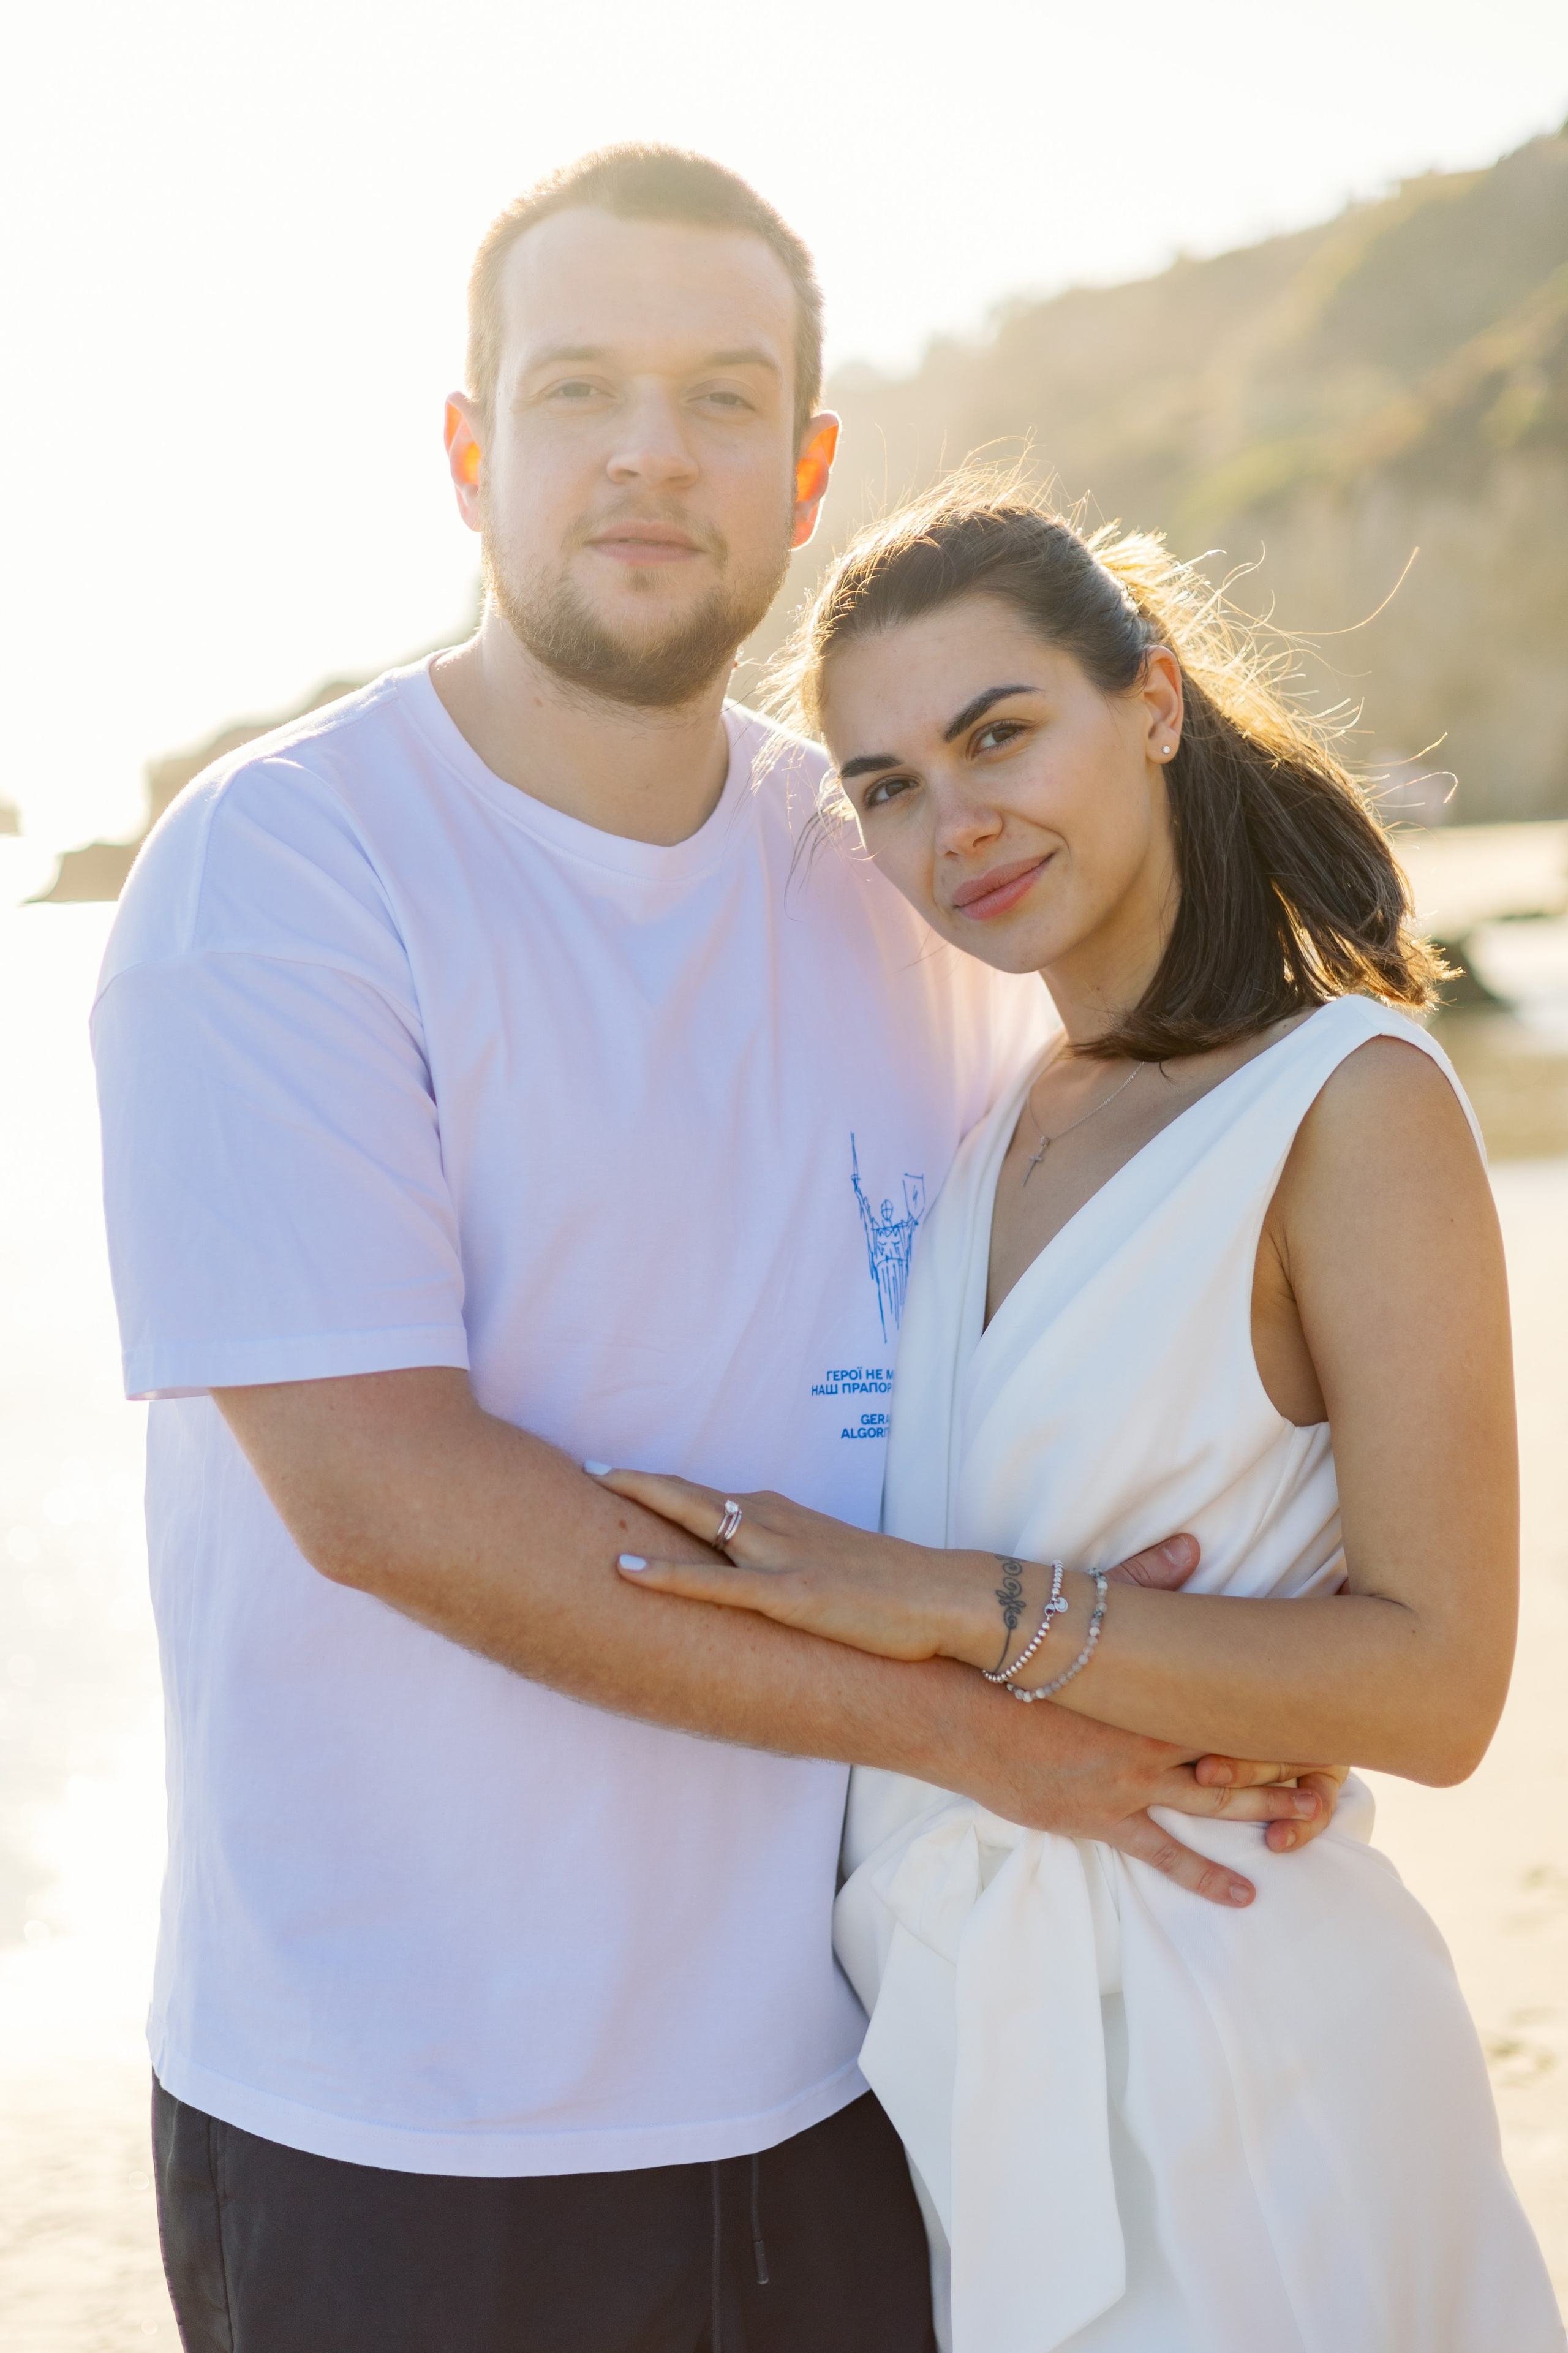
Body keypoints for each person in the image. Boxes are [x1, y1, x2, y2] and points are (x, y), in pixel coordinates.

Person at [94, 153, 1335, 2353]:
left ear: (807, 466)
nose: (652, 450)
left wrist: (1224, 1648)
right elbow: (389, 1499)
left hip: (851, 2063)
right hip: (408, 2122)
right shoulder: (280, 873)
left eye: (721, 395)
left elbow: (1084, 1282)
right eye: (579, 390)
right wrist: (998, 1730)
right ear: (471, 454)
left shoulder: (891, 871)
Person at [595, 483, 1566, 2352]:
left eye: (998, 734)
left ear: (1159, 702)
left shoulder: (1348, 1104)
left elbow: (1442, 1688)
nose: (953, 825)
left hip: (1241, 2043)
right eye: (883, 784)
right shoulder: (994, 1116)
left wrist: (964, 1605)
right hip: (963, 2059)